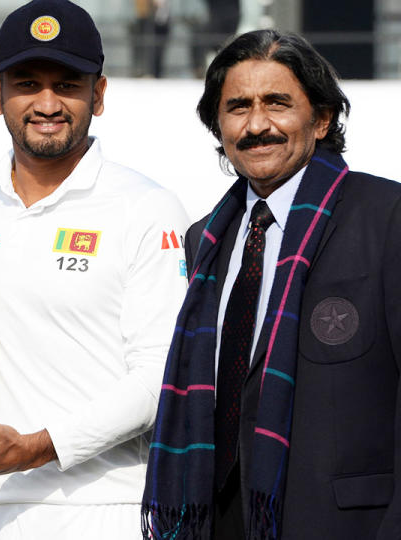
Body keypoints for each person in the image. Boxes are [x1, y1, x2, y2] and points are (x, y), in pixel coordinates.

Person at [0, 1, 190, 537]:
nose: (47, 103)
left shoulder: (146, 207)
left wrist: (37, 447)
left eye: (68, 84)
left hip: (102, 509)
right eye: (27, 83)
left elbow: (158, 377)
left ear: (98, 95)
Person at [142, 29, 401, 540]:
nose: (257, 125)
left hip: (351, 524)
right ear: (219, 126)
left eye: (277, 103)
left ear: (322, 118)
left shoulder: (387, 217)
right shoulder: (206, 239)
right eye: (237, 107)